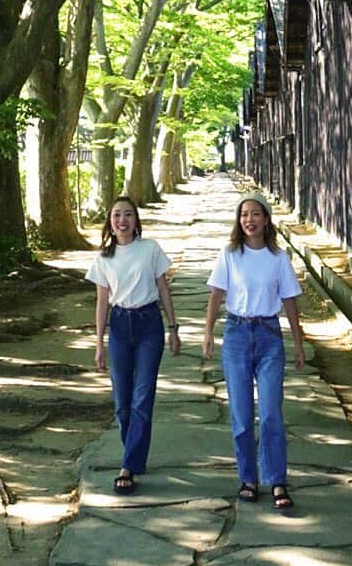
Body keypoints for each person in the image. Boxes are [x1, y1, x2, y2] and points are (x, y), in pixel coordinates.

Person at [203, 192, 305, 510]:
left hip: (269, 337)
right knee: (243, 417)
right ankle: (248, 477)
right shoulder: (230, 255)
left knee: (272, 413)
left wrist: (298, 342)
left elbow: (289, 300)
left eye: (255, 214)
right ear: (239, 220)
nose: (249, 219)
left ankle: (277, 481)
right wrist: (208, 333)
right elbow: (217, 295)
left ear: (266, 219)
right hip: (236, 335)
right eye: (244, 214)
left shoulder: (278, 258)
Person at [87, 195, 182, 495]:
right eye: (117, 215)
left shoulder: (150, 249)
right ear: (110, 221)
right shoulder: (103, 258)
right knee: (122, 402)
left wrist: (173, 328)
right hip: (119, 326)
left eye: (128, 214)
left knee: (142, 397)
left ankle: (128, 465)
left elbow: (163, 289)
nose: (122, 220)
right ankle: (134, 454)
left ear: (136, 220)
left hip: (148, 325)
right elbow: (102, 302)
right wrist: (99, 343)